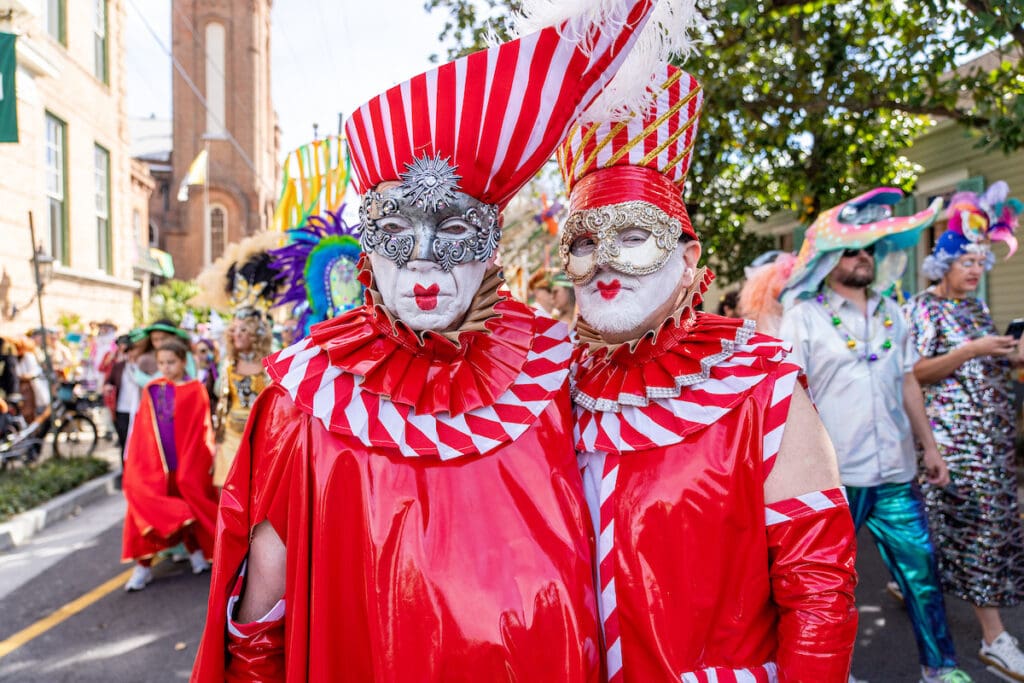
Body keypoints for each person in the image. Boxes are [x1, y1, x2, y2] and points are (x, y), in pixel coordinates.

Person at [192, 2, 667, 679]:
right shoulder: (306, 396)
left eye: (453, 231)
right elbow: (263, 608)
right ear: (365, 243)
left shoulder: (561, 367)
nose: (422, 260)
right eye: (396, 229)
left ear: (491, 243)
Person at [557, 61, 857, 682]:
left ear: (689, 257)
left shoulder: (760, 384)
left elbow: (821, 591)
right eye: (584, 243)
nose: (605, 264)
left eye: (636, 235)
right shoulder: (552, 387)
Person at [777, 188, 973, 683]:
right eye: (851, 249)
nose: (863, 257)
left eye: (869, 249)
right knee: (825, 588)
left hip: (896, 473)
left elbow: (907, 380)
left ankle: (940, 668)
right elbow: (785, 396)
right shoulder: (803, 318)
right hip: (833, 474)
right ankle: (831, 674)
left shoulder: (893, 311)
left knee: (924, 576)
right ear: (828, 259)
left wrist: (929, 447)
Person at [905, 181, 1024, 681]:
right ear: (942, 266)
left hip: (993, 439)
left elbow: (987, 365)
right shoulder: (924, 308)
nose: (976, 271)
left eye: (981, 264)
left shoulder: (974, 308)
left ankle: (909, 579)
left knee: (972, 531)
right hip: (954, 443)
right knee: (981, 532)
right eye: (967, 263)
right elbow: (917, 372)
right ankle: (996, 638)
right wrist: (973, 350)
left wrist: (1012, 353)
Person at [121, 338, 218, 591]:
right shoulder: (152, 388)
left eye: (171, 362)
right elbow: (142, 430)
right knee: (144, 511)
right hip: (156, 467)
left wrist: (194, 465)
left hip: (185, 464)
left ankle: (197, 553)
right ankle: (142, 567)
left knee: (190, 506)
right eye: (161, 363)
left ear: (184, 361)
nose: (165, 367)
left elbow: (202, 430)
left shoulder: (195, 389)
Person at [192, 231, 283, 488]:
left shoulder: (273, 362)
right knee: (228, 490)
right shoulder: (228, 364)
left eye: (244, 330)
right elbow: (223, 403)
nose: (238, 334)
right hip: (231, 437)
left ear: (256, 333)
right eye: (235, 329)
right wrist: (219, 438)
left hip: (263, 439)